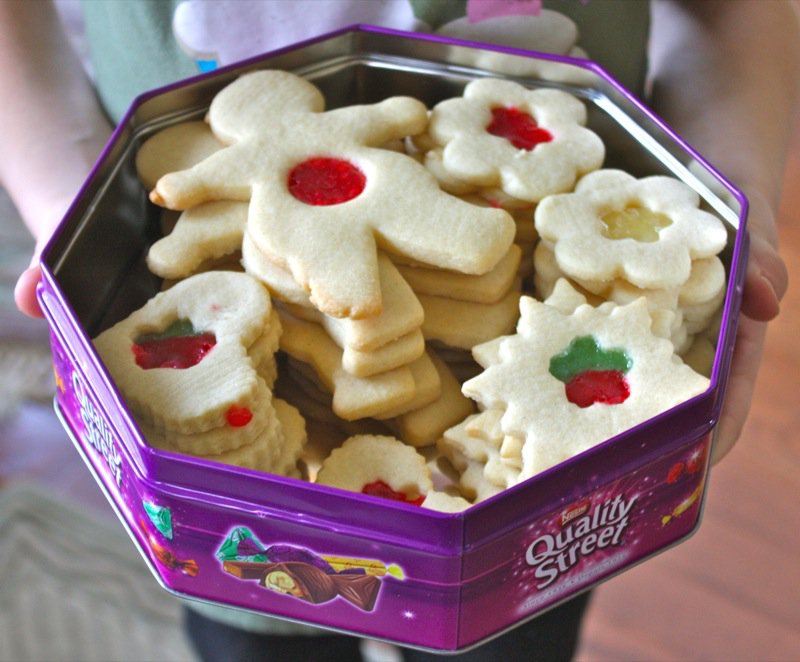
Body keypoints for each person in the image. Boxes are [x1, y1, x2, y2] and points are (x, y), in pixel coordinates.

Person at [2, 1, 797, 660]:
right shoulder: (245, 172)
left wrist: (734, 183)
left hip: (534, 506)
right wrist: (67, 192)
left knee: (513, 635)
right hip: (226, 473)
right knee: (254, 630)